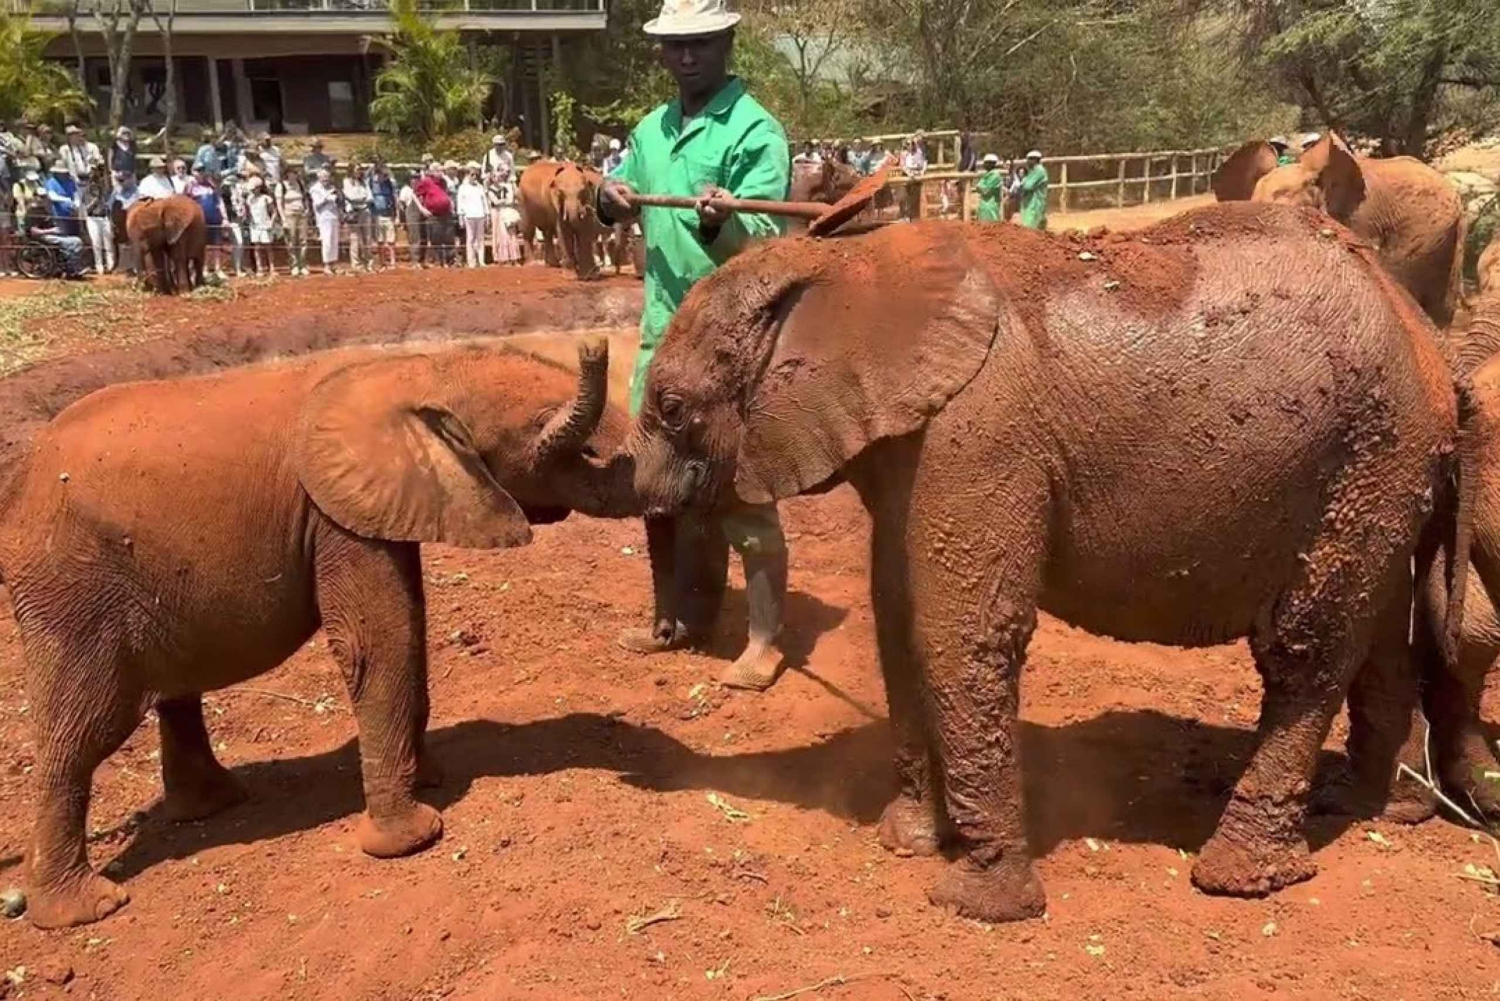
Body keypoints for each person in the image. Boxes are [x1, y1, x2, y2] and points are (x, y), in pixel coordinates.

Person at [598, 0, 792, 691]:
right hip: (662, 334)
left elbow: (767, 237)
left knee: (737, 485)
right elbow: (618, 185)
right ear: (661, 51)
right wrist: (610, 196)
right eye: (676, 45)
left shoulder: (754, 131)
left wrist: (725, 222)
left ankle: (766, 640)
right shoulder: (652, 130)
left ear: (726, 44)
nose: (687, 56)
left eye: (702, 44)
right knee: (654, 482)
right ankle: (677, 618)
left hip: (728, 340)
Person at [23, 178, 85, 278]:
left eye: (44, 197)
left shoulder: (45, 210)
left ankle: (72, 266)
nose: (42, 199)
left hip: (51, 234)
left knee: (76, 241)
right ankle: (71, 269)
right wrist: (50, 231)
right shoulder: (32, 212)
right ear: (35, 197)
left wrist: (56, 230)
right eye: (40, 197)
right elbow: (33, 231)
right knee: (70, 243)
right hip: (42, 237)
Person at [188, 166, 227, 279]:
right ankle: (204, 268)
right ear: (193, 173)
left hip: (214, 217)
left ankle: (218, 268)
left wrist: (224, 218)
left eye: (202, 171)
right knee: (203, 245)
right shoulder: (191, 187)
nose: (200, 173)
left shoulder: (212, 186)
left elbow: (219, 202)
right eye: (198, 171)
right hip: (200, 220)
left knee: (216, 244)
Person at [415, 163, 454, 266]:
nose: (441, 173)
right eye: (438, 171)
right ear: (433, 172)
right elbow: (414, 194)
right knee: (436, 239)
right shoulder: (426, 182)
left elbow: (446, 194)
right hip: (434, 214)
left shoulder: (443, 182)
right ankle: (440, 261)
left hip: (446, 213)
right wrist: (422, 208)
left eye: (442, 171)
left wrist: (450, 203)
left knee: (448, 237)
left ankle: (450, 261)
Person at [276, 165, 311, 276]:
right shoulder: (281, 186)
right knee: (291, 241)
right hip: (289, 215)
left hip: (301, 214)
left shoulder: (300, 184)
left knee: (303, 240)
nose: (293, 176)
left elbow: (305, 197)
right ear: (287, 174)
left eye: (295, 174)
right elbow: (279, 204)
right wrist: (283, 219)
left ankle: (303, 264)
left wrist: (307, 209)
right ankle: (294, 265)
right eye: (291, 174)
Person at [81, 163, 115, 273]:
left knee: (108, 242)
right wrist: (96, 200)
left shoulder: (104, 188)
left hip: (104, 217)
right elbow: (87, 208)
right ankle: (99, 265)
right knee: (96, 243)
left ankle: (110, 265)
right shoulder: (87, 190)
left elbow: (108, 202)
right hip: (93, 218)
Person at [486, 165, 521, 265]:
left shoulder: (508, 185)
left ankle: (514, 257)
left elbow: (512, 197)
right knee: (501, 235)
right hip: (499, 211)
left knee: (512, 234)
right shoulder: (494, 189)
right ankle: (502, 257)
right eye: (504, 171)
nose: (505, 173)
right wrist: (503, 201)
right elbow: (496, 201)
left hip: (508, 210)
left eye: (507, 171)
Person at [309, 167, 341, 275]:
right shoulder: (315, 189)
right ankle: (326, 265)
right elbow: (317, 204)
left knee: (334, 240)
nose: (325, 179)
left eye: (327, 176)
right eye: (323, 176)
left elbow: (337, 202)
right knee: (326, 241)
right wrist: (327, 197)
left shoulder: (332, 187)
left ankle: (334, 263)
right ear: (319, 177)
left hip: (333, 216)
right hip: (323, 217)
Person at [342, 163, 373, 271]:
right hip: (354, 212)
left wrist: (361, 199)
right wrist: (361, 198)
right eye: (356, 169)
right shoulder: (347, 182)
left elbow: (370, 197)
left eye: (359, 170)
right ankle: (356, 264)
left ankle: (368, 263)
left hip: (365, 211)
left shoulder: (364, 182)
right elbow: (350, 196)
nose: (358, 172)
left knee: (367, 238)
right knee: (355, 239)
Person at [456, 162, 488, 268]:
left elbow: (484, 201)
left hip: (480, 215)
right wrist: (461, 216)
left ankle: (481, 260)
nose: (474, 177)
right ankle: (471, 261)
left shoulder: (479, 187)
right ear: (467, 175)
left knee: (480, 238)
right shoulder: (463, 188)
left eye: (476, 175)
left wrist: (486, 214)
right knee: (470, 238)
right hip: (469, 215)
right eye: (472, 175)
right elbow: (460, 202)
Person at [110, 170, 142, 274]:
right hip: (120, 220)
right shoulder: (116, 191)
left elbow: (137, 203)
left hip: (133, 219)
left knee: (133, 243)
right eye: (120, 180)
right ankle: (121, 266)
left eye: (124, 180)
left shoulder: (137, 190)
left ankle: (135, 267)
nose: (123, 182)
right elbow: (109, 205)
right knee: (120, 243)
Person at [1011, 149, 1049, 230]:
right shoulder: (1032, 171)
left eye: (1029, 159)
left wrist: (1021, 185)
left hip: (1035, 203)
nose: (1027, 161)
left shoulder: (1039, 171)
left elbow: (1028, 186)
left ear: (1035, 160)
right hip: (1029, 202)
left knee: (1031, 226)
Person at [369, 162, 398, 269]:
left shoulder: (390, 183)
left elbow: (395, 198)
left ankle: (392, 262)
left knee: (391, 240)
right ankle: (382, 262)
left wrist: (397, 215)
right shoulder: (372, 182)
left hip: (388, 214)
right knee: (379, 240)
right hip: (376, 215)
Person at [245, 175, 275, 276]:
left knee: (268, 247)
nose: (252, 191)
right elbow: (248, 212)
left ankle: (272, 268)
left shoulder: (266, 198)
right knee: (257, 247)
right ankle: (260, 268)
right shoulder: (249, 199)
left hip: (265, 224)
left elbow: (273, 212)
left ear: (259, 188)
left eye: (254, 189)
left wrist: (271, 222)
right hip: (254, 225)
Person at [399, 170, 430, 267]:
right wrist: (402, 219)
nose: (415, 180)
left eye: (417, 178)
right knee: (415, 238)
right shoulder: (406, 190)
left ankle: (423, 260)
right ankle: (415, 261)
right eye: (413, 178)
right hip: (411, 215)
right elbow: (401, 205)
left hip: (423, 216)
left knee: (424, 238)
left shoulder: (421, 189)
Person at [222, 170, 249, 276]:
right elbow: (225, 205)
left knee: (241, 244)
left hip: (241, 218)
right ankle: (237, 269)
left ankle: (239, 266)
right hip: (232, 219)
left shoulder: (239, 188)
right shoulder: (225, 189)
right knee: (238, 242)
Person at [44, 163, 81, 236]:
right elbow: (52, 196)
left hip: (72, 215)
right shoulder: (51, 182)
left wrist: (77, 204)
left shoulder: (70, 182)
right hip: (59, 215)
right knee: (63, 234)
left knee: (75, 234)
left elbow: (76, 194)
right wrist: (66, 200)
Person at [974, 153, 1004, 222]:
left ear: (993, 164)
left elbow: (985, 190)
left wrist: (980, 187)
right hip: (983, 205)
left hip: (991, 206)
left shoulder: (995, 176)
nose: (985, 164)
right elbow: (978, 187)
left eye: (987, 163)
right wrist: (980, 187)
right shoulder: (986, 175)